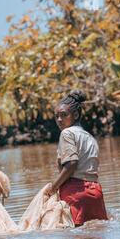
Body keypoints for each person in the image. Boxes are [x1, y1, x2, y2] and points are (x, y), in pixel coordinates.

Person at [45, 90, 108, 226]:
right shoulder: (90, 137)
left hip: (75, 192)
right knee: (98, 238)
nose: (59, 120)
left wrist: (53, 187)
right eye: (57, 116)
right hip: (95, 192)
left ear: (76, 114)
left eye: (64, 115)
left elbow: (72, 163)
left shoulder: (67, 133)